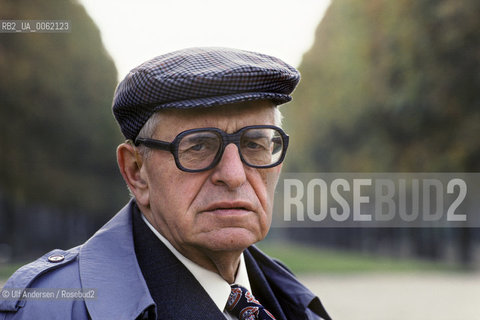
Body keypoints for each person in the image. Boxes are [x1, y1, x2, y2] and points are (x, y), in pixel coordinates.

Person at [0, 47, 331, 320]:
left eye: (255, 144)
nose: (233, 175)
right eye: (199, 146)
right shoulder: (45, 310)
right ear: (136, 171)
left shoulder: (292, 305)